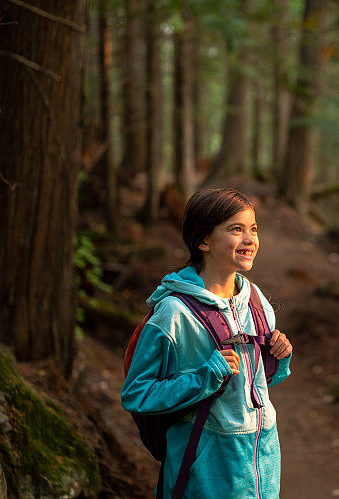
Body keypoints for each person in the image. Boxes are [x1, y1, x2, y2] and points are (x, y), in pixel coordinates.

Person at [121, 188, 293, 499]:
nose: (250, 239)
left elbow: (257, 384)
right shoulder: (174, 313)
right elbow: (136, 393)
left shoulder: (256, 301)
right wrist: (205, 377)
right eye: (236, 229)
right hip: (203, 472)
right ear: (203, 241)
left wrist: (277, 356)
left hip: (262, 465)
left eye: (253, 229)